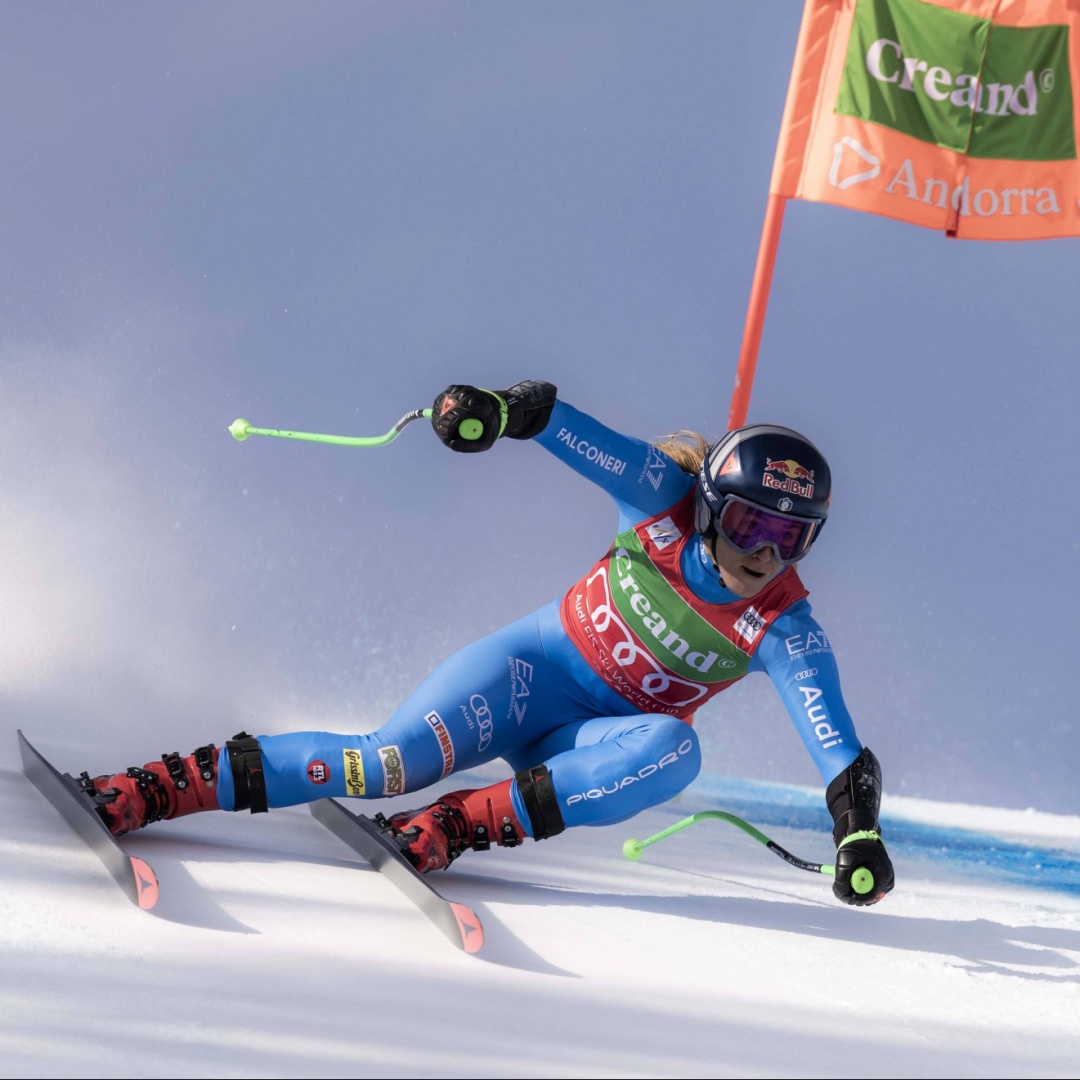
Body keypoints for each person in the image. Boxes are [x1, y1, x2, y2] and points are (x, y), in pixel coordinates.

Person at [85, 381, 895, 906]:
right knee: (384, 763)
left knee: (675, 752)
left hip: (586, 743)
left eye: (793, 537)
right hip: (527, 680)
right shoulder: (663, 497)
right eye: (751, 524)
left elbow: (837, 748)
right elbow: (557, 422)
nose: (766, 555)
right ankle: (155, 788)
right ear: (713, 505)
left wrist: (857, 832)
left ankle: (455, 825)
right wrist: (495, 412)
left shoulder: (785, 626)